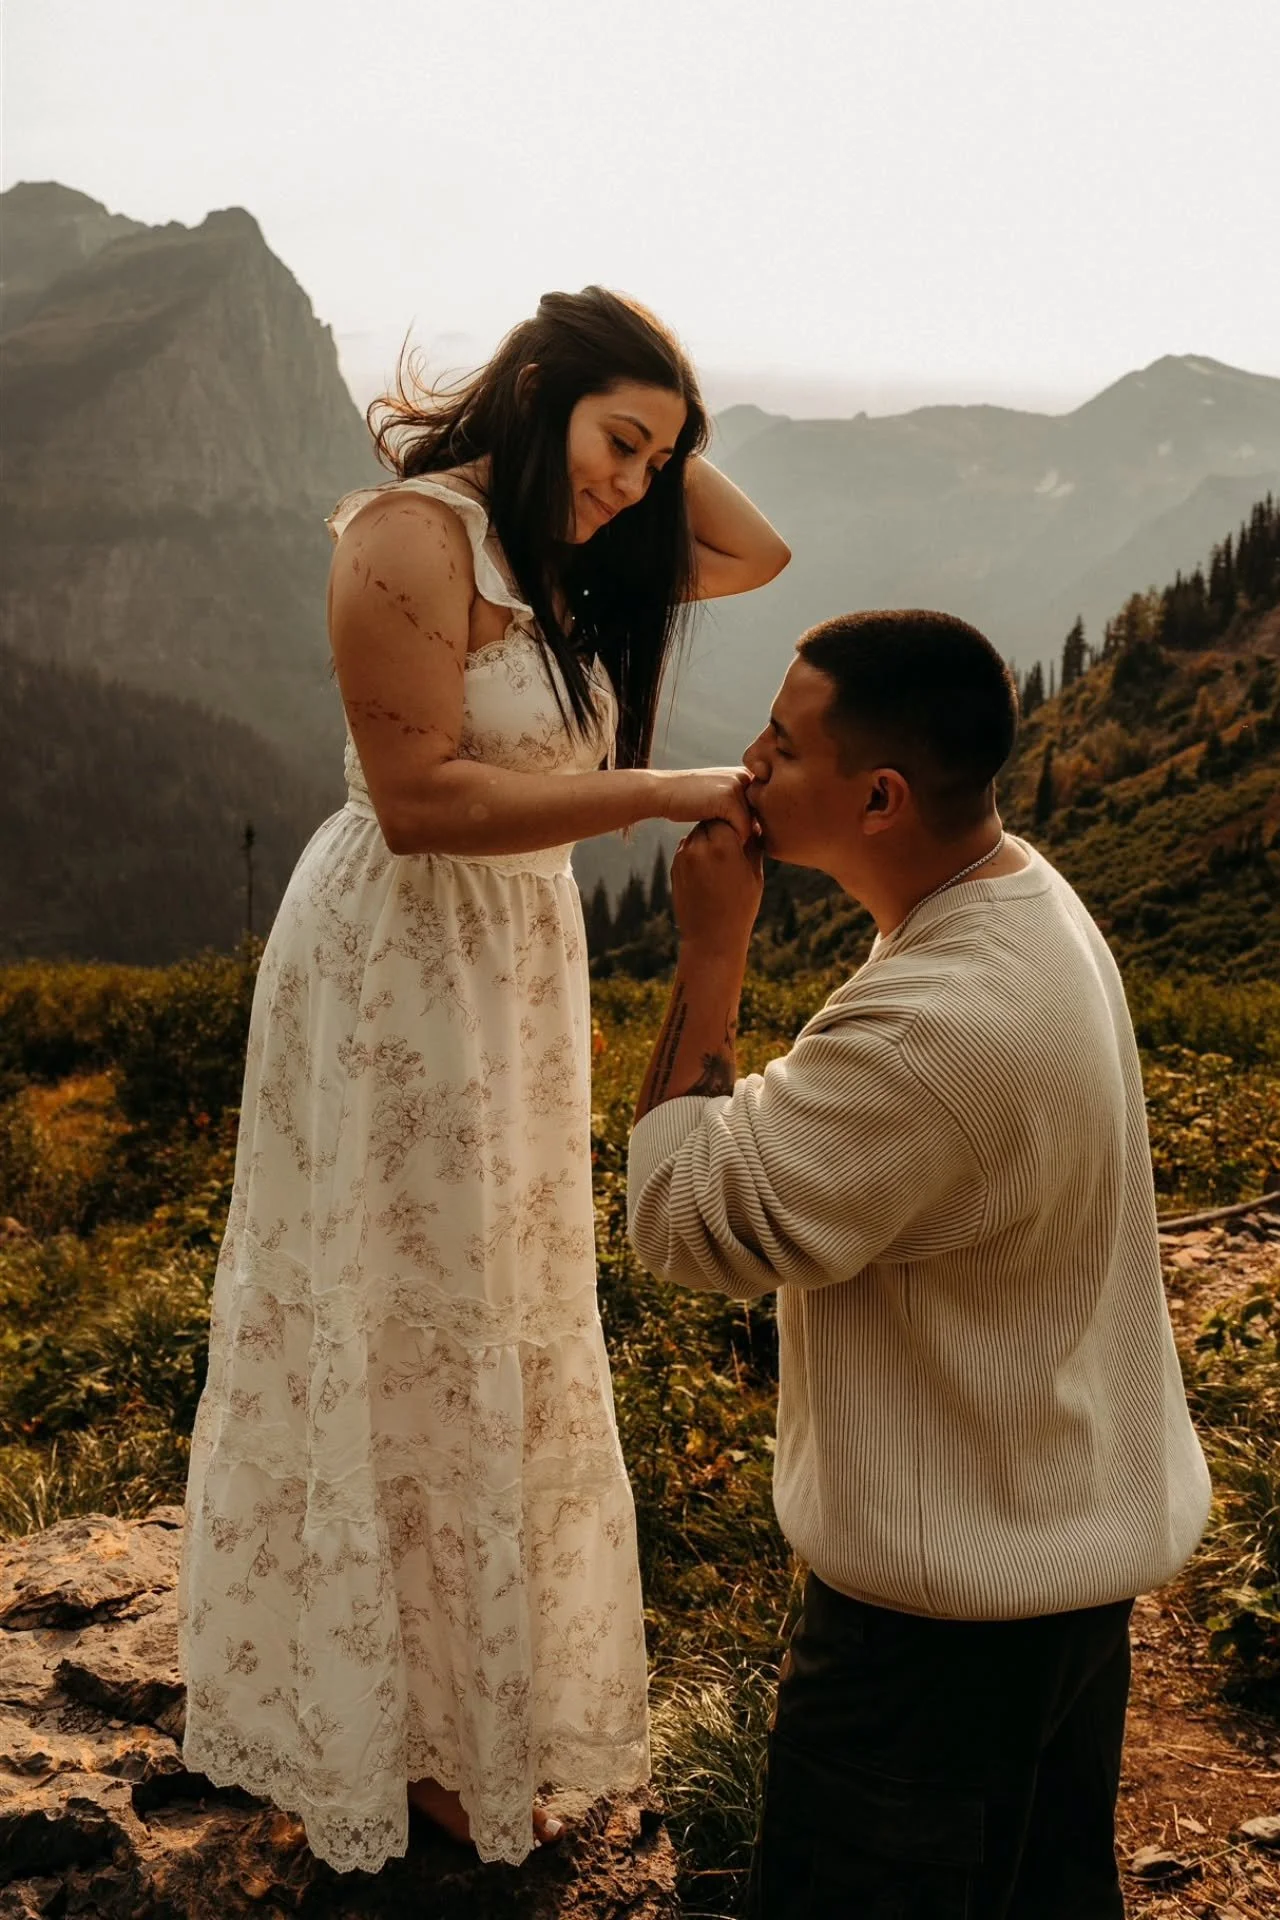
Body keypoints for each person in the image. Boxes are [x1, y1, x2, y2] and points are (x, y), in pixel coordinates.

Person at [177, 286, 790, 1874]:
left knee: (494, 1303)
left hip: (509, 966)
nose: (640, 487)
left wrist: (648, 425)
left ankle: (462, 1712)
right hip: (400, 959)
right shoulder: (409, 536)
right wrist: (651, 790)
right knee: (399, 1310)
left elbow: (759, 553)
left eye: (660, 461)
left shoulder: (564, 548)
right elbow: (417, 801)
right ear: (533, 393)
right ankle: (385, 1724)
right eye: (619, 443)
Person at [626, 610, 1211, 1919]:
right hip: (1059, 1579)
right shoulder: (1025, 904)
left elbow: (680, 1217)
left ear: (880, 796)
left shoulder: (940, 1022)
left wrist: (712, 949)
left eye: (781, 746)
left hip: (935, 1639)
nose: (749, 766)